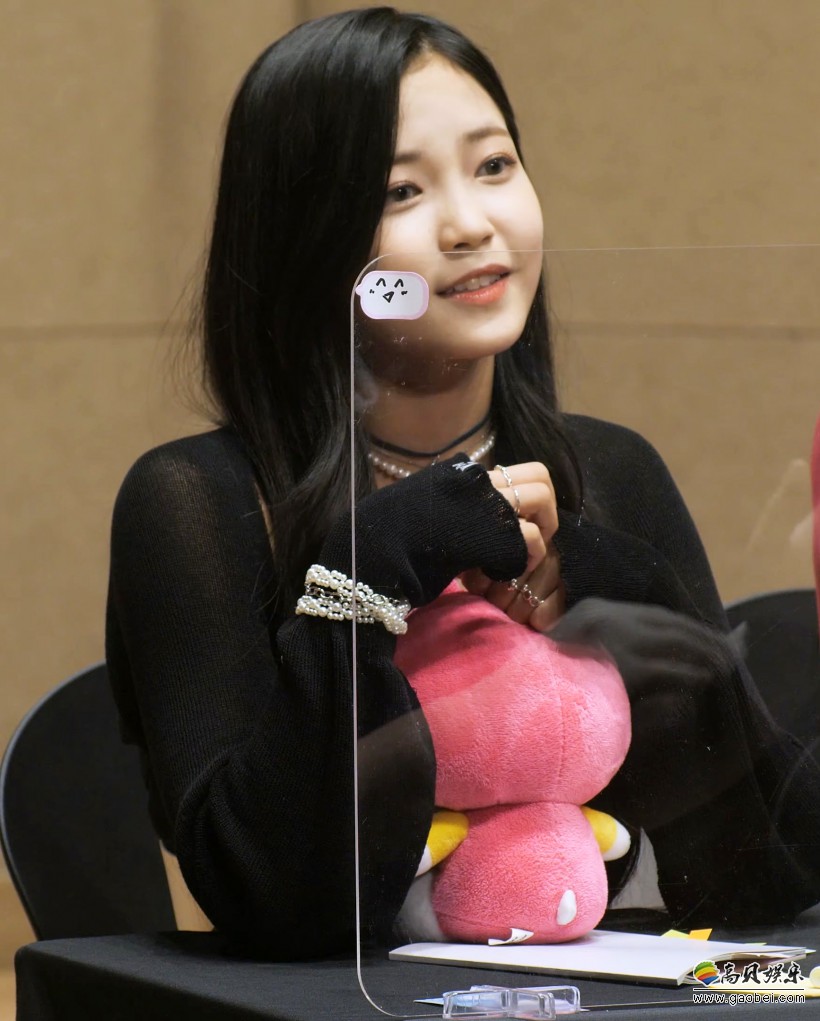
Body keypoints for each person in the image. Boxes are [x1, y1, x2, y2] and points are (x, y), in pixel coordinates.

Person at [105, 7, 820, 961]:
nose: (473, 224)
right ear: (308, 240)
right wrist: (370, 567)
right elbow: (271, 900)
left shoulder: (610, 473)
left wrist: (632, 596)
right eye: (402, 191)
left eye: (494, 166)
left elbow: (764, 876)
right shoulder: (198, 502)